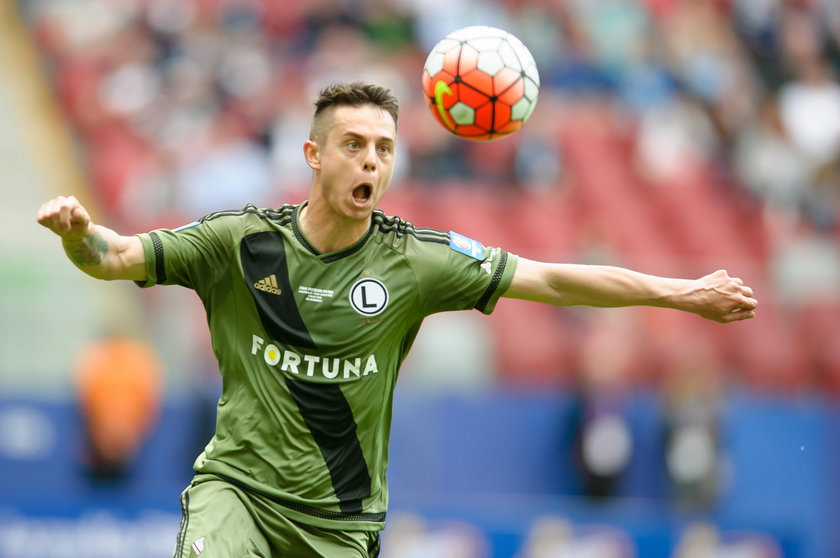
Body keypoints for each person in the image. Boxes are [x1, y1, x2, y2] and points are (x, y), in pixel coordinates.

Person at [37, 81, 757, 558]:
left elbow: (552, 278)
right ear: (314, 155)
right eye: (354, 145)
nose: (371, 162)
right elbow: (119, 256)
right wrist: (78, 235)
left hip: (340, 525)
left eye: (384, 149)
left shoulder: (416, 260)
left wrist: (682, 292)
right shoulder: (240, 242)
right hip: (240, 496)